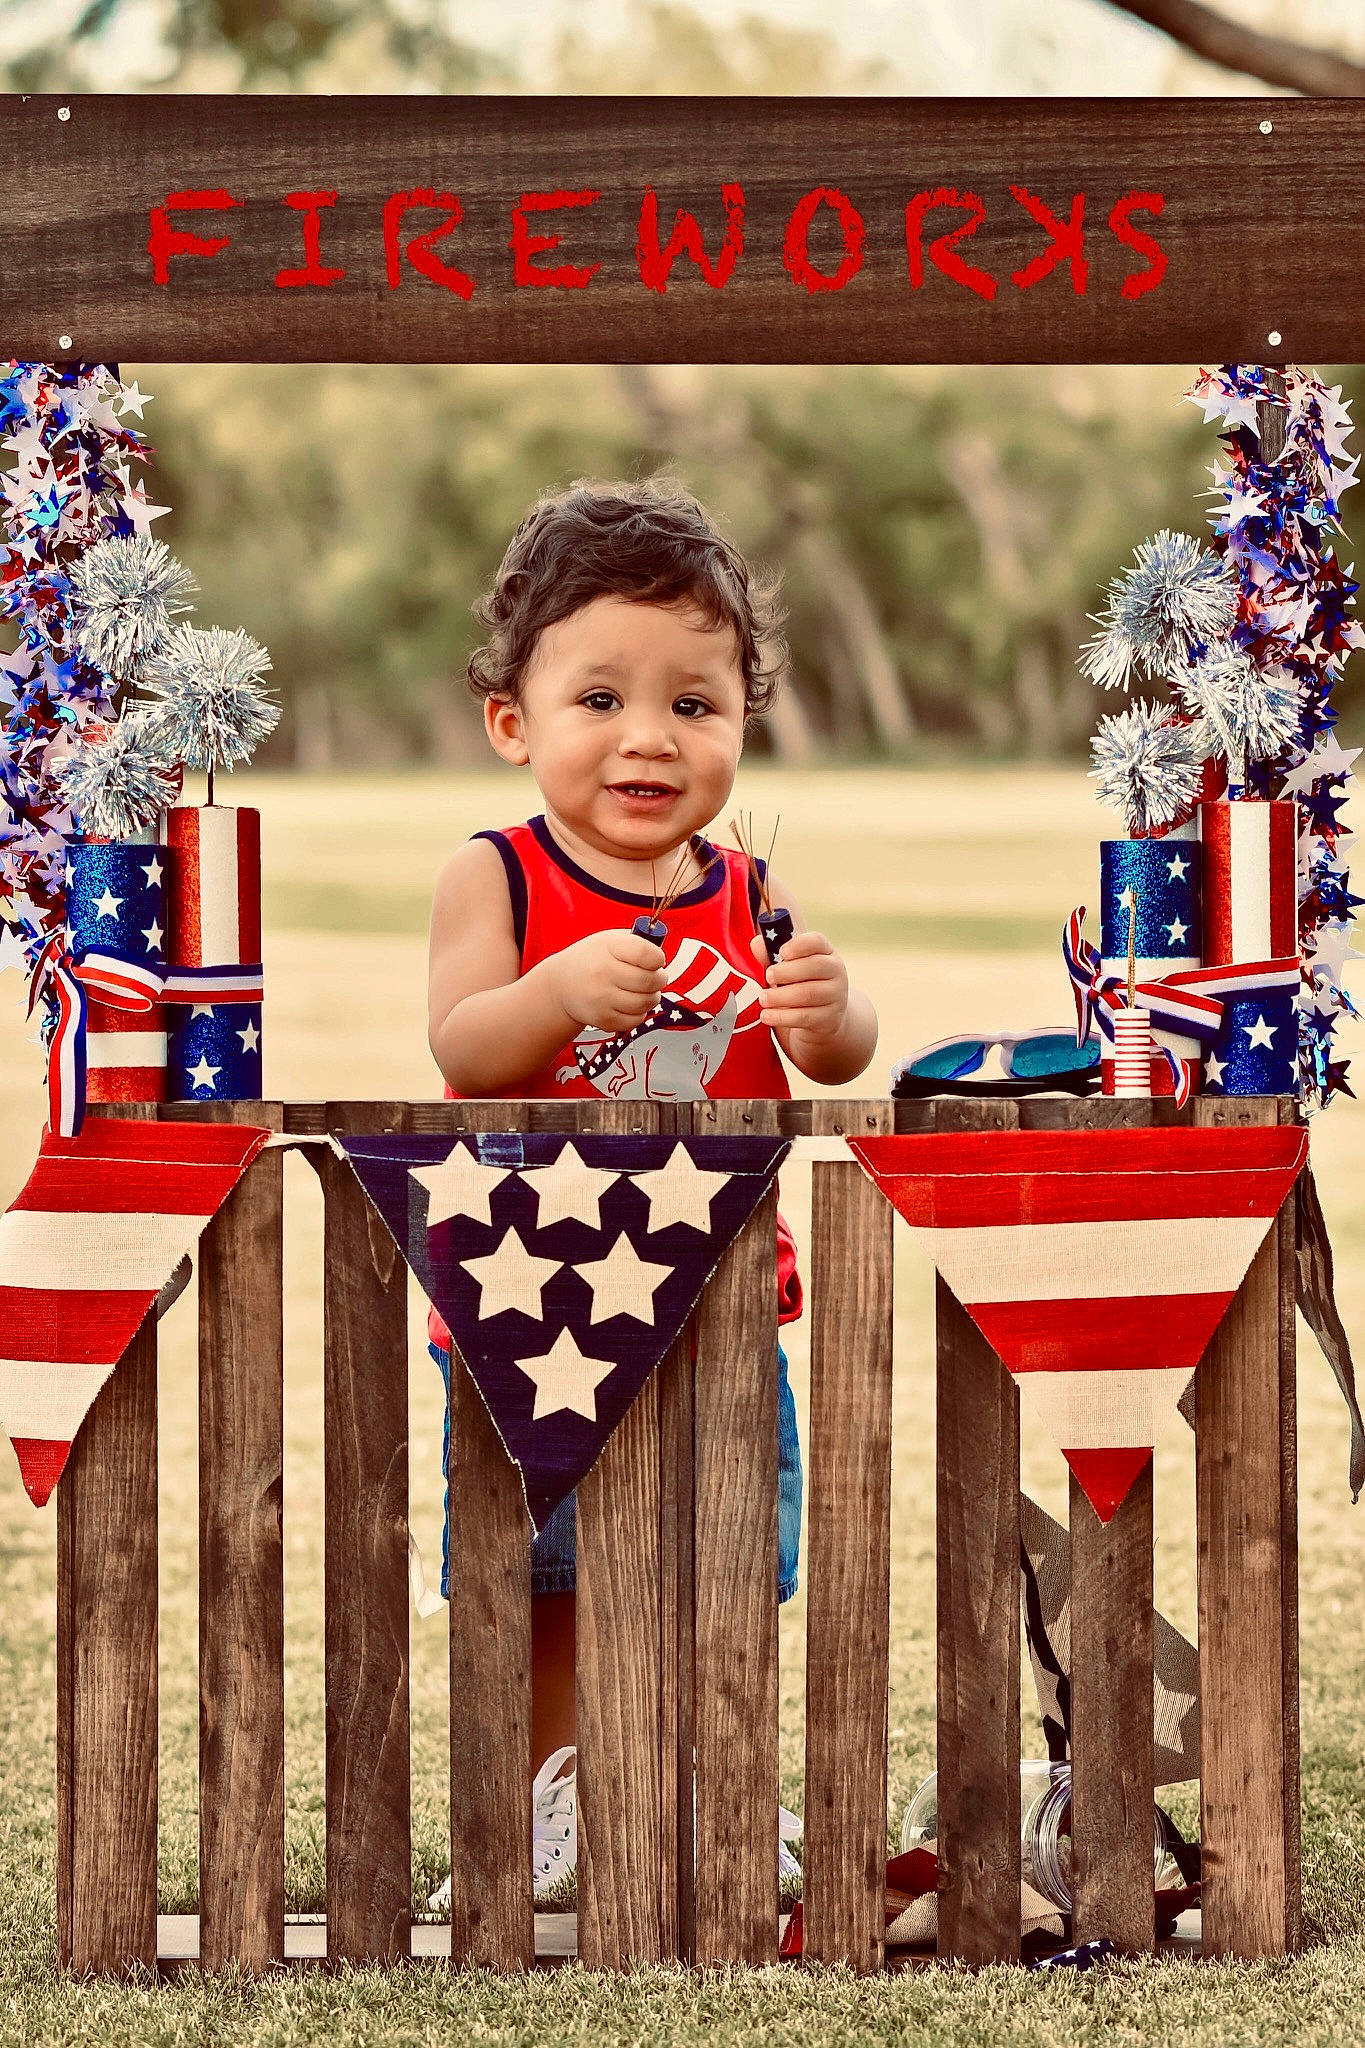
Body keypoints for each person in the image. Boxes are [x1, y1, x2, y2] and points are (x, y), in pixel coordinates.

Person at [426, 476, 878, 1900]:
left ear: (743, 724)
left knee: (729, 1553)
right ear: (514, 722)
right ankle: (554, 1795)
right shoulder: (495, 874)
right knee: (543, 1567)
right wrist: (554, 989)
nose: (649, 737)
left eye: (696, 704)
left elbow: (829, 1056)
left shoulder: (748, 896)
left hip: (717, 1294)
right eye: (600, 698)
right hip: (533, 1293)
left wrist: (827, 1010)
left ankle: (713, 1777)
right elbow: (460, 1046)